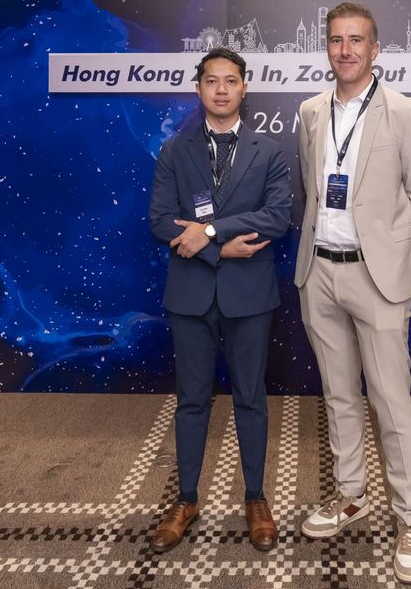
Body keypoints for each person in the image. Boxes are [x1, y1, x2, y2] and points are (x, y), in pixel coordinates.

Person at [294, 2, 411, 584]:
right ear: (326, 48)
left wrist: (388, 251)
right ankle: (351, 495)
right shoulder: (310, 111)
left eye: (356, 40)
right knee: (339, 395)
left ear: (375, 49)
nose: (345, 50)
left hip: (377, 278)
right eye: (336, 40)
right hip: (319, 273)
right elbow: (311, 189)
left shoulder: (405, 112)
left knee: (391, 401)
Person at [148, 47, 292, 553]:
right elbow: (160, 221)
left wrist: (209, 230)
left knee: (251, 397)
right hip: (191, 295)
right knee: (191, 400)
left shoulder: (270, 151)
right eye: (212, 81)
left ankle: (255, 499)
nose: (222, 89)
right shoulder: (175, 150)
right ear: (199, 88)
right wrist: (220, 249)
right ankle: (186, 500)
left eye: (231, 80)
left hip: (249, 295)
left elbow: (276, 218)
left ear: (244, 87)